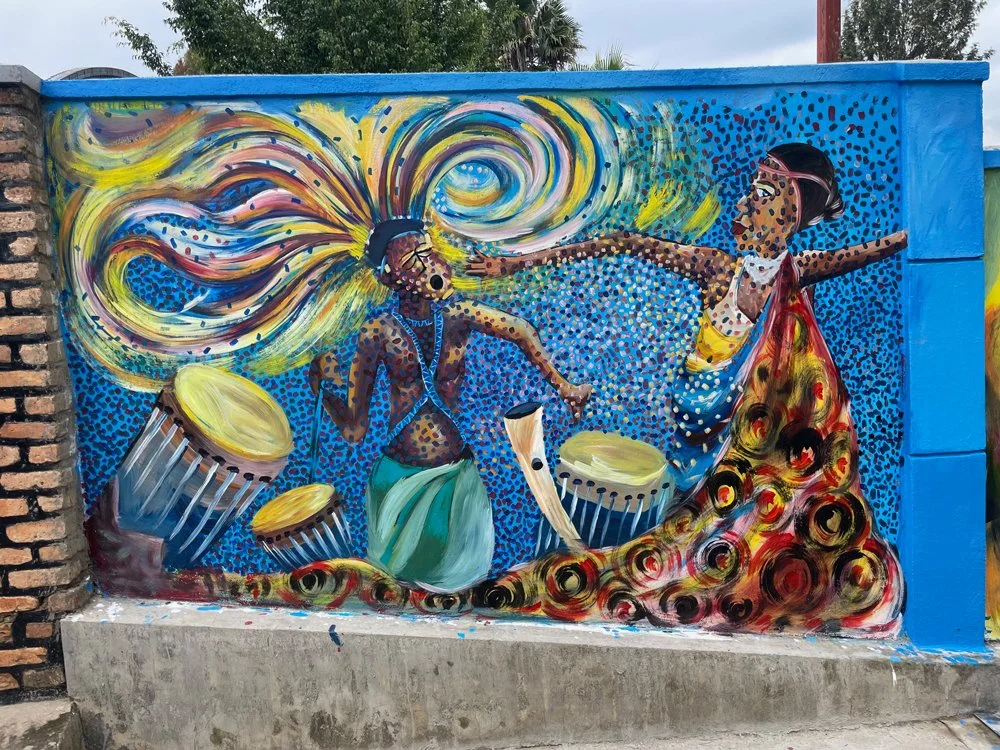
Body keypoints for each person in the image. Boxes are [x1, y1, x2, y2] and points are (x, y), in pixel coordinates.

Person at [469, 143, 907, 492]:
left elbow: (872, 251)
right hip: (694, 436)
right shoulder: (717, 270)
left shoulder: (796, 275)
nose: (744, 204)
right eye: (750, 191)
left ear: (793, 212)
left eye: (762, 195)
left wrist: (919, 234)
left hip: (752, 453)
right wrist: (517, 263)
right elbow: (624, 243)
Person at [309, 218, 591, 593]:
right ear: (389, 277)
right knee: (396, 594)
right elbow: (354, 430)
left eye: (429, 251)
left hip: (457, 480)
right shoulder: (379, 332)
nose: (429, 263)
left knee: (463, 586)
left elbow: (520, 330)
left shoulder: (458, 316)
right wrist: (325, 390)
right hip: (400, 485)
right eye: (413, 258)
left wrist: (565, 386)